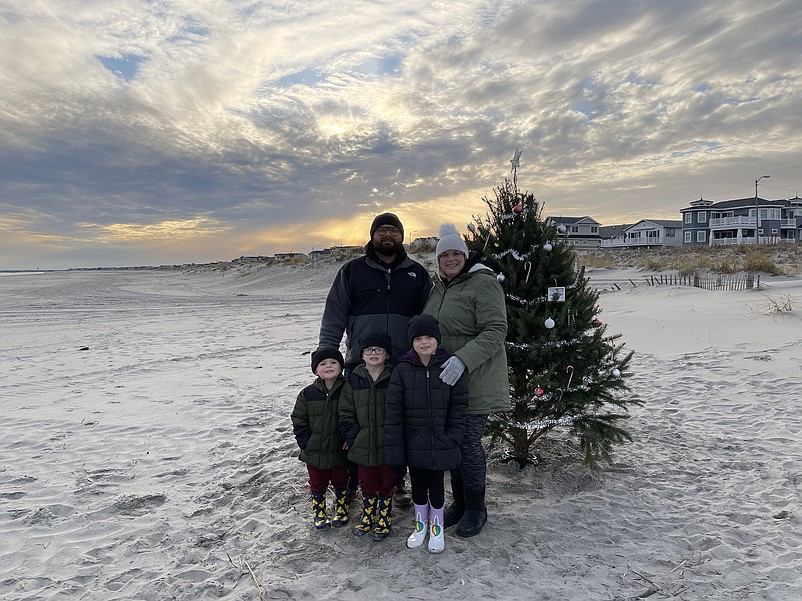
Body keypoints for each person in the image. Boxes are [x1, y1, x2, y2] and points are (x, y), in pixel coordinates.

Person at [318, 212, 432, 508]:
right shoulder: (352, 271)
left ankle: (397, 480)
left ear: (402, 236)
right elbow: (334, 315)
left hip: (402, 365)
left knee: (395, 424)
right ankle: (355, 479)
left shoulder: (417, 274)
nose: (387, 235)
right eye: (381, 230)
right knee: (359, 422)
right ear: (372, 235)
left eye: (393, 230)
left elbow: (428, 321)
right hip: (359, 364)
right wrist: (326, 356)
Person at [423, 223, 509, 538]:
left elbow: (496, 330)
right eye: (444, 254)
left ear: (465, 254)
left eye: (455, 253)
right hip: (446, 380)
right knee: (453, 442)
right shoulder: (439, 288)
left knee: (468, 442)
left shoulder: (482, 283)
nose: (450, 258)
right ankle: (460, 503)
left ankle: (476, 508)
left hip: (476, 377)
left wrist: (463, 359)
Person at [384, 315, 469, 554]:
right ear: (412, 342)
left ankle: (436, 529)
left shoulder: (449, 366)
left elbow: (459, 404)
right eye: (419, 338)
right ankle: (420, 527)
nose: (424, 342)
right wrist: (399, 443)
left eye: (429, 337)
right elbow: (394, 409)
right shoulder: (402, 370)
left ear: (437, 340)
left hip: (442, 440)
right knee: (418, 487)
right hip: (414, 441)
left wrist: (453, 435)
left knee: (437, 486)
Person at [339, 332, 395, 540]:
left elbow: (401, 409)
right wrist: (354, 437)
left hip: (387, 442)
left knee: (387, 480)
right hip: (362, 443)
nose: (373, 353)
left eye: (379, 349)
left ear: (387, 354)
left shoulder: (394, 377)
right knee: (367, 480)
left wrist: (395, 437)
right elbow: (346, 412)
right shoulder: (353, 380)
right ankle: (368, 514)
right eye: (368, 350)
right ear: (361, 355)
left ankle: (384, 516)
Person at [290, 347, 350, 530]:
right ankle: (319, 510)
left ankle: (341, 507)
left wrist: (350, 438)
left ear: (341, 367)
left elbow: (354, 414)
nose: (328, 366)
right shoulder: (307, 393)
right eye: (323, 364)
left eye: (333, 362)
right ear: (316, 370)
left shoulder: (348, 390)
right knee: (318, 482)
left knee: (341, 480)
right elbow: (298, 419)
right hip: (314, 450)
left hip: (340, 449)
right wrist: (305, 442)